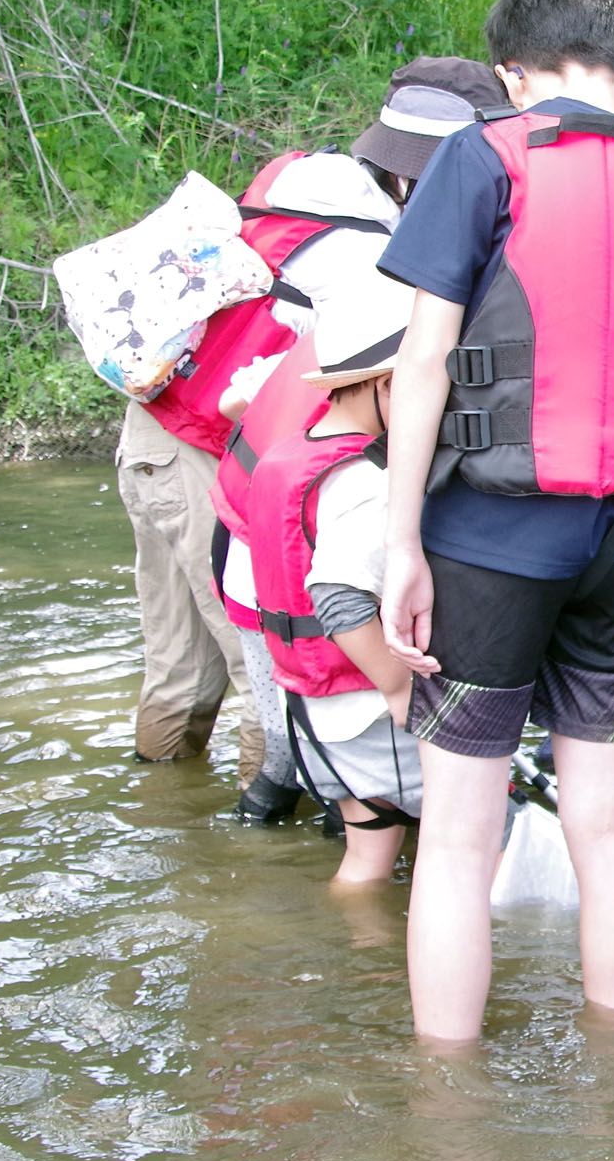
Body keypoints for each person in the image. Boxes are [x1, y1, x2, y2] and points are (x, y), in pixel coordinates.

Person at [377, 0, 614, 1043]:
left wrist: (398, 543)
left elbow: (426, 357)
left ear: (510, 75)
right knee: (613, 826)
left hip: (487, 544)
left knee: (456, 837)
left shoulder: (480, 159)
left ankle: (449, 1114)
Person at [209, 56, 504, 822]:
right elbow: (340, 598)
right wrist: (406, 692)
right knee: (288, 750)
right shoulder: (372, 263)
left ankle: (266, 856)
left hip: (252, 508)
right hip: (284, 540)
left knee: (298, 745)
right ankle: (277, 842)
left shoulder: (315, 196)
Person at [247, 271, 424, 882]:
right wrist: (401, 689)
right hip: (372, 707)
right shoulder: (365, 484)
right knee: (482, 843)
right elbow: (339, 600)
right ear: (386, 384)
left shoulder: (287, 456)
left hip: (314, 707)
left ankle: (363, 962)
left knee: (368, 857)